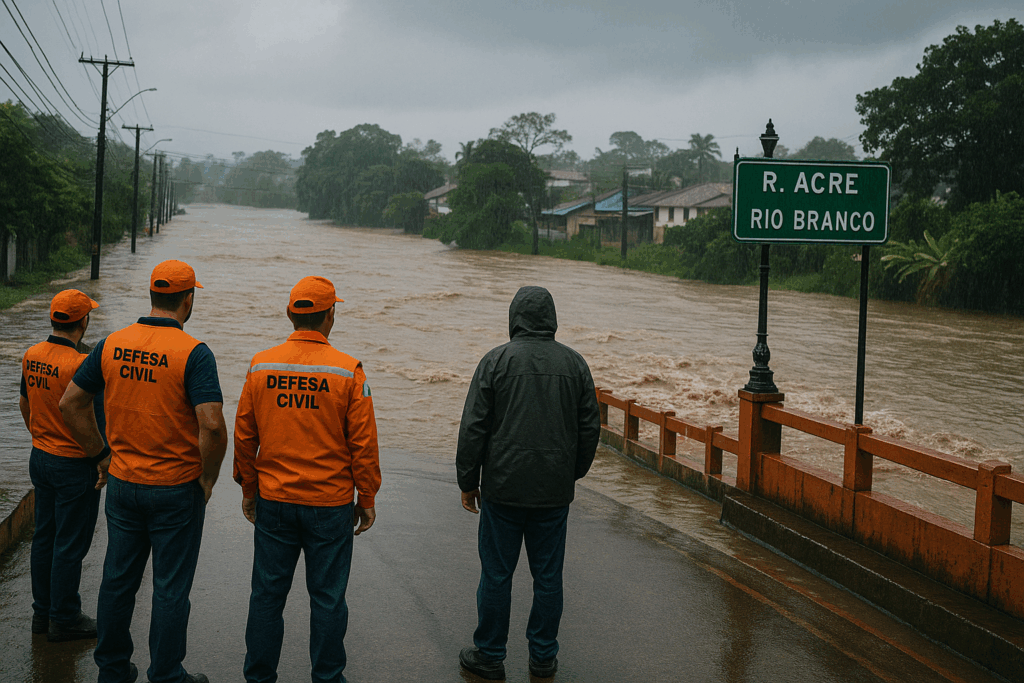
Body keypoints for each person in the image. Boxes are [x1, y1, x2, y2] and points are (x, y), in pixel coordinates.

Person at [60, 259, 227, 683]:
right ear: (189, 299)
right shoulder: (194, 353)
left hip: (122, 485)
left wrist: (101, 456)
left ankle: (112, 671)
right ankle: (167, 675)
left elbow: (70, 403)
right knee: (170, 587)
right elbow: (211, 424)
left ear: (153, 295)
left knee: (117, 582)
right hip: (175, 489)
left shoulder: (112, 343)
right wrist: (206, 478)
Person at [233, 275, 381, 683]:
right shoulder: (348, 370)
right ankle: (328, 678)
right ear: (331, 314)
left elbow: (244, 434)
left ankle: (259, 677)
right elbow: (363, 444)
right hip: (329, 506)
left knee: (266, 596)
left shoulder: (261, 364)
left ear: (290, 314)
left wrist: (249, 489)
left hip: (275, 501)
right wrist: (366, 498)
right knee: (329, 599)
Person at [456, 285, 601, 680]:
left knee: (497, 574)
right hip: (552, 494)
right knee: (549, 577)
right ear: (551, 319)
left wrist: (468, 481)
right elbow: (590, 428)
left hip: (502, 490)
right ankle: (542, 657)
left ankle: (489, 654)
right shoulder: (575, 365)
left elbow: (473, 428)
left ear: (514, 317)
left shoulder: (495, 361)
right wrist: (571, 472)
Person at [20, 289, 104, 642]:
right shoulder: (82, 365)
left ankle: (42, 615)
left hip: (40, 457)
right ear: (83, 322)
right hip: (74, 464)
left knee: (44, 538)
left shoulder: (31, 354)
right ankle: (65, 617)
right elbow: (92, 419)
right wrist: (101, 457)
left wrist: (42, 436)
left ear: (53, 319)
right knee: (70, 543)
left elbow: (25, 405)